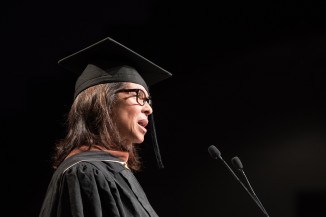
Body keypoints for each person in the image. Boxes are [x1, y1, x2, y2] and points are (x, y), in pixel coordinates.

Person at [38, 36, 172, 217]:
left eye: (148, 100)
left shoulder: (117, 172)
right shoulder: (84, 173)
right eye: (138, 96)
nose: (148, 108)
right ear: (104, 102)